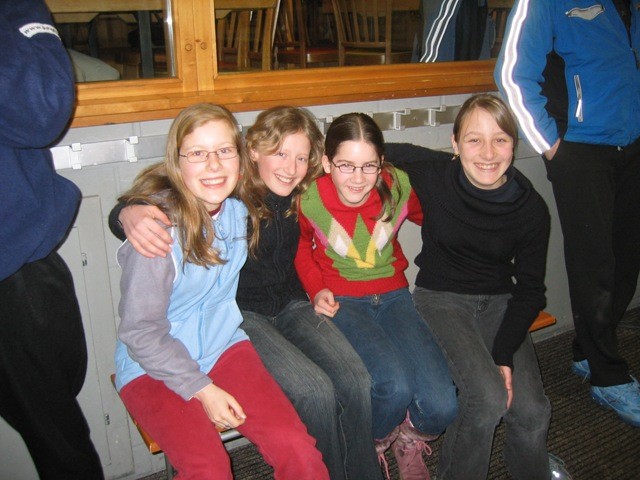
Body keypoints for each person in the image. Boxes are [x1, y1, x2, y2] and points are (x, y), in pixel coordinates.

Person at [109, 106, 381, 480]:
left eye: (224, 151)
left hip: (226, 341)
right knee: (213, 467)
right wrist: (129, 211)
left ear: (238, 158)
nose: (214, 164)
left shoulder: (240, 206)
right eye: (198, 153)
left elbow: (347, 166)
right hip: (157, 360)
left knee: (314, 431)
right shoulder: (165, 230)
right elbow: (141, 332)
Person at [385, 93, 565, 479]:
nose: (487, 152)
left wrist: (503, 354)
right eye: (474, 139)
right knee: (486, 399)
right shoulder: (434, 173)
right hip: (441, 298)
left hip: (500, 302)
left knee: (533, 411)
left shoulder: (530, 208)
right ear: (455, 144)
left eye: (500, 139)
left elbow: (530, 289)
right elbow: (369, 145)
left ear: (514, 145)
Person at [495, 0, 640, 427]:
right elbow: (511, 74)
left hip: (632, 144)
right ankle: (608, 376)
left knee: (627, 260)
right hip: (581, 150)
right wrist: (552, 148)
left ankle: (587, 351)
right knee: (594, 266)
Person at [295, 112, 458, 480]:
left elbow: (438, 219)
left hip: (394, 296)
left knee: (442, 404)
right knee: (393, 385)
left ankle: (408, 437)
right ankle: (371, 443)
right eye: (346, 166)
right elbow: (301, 246)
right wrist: (316, 288)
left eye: (369, 166)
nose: (357, 178)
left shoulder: (398, 185)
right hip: (342, 302)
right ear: (326, 163)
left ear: (382, 163)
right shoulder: (311, 198)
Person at [0, 1, 104, 478]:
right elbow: (41, 108)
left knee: (56, 420)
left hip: (16, 257)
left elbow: (39, 108)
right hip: (14, 259)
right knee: (58, 438)